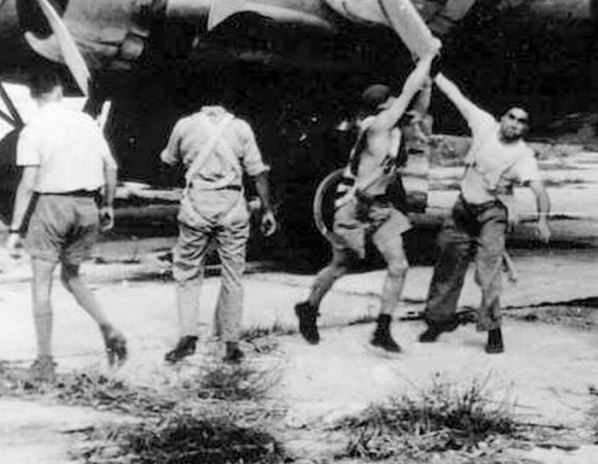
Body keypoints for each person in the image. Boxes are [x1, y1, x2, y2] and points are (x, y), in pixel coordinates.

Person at [294, 49, 439, 353]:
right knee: (340, 264)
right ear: (385, 104)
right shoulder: (377, 127)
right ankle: (308, 307)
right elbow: (408, 94)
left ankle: (382, 329)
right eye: (393, 100)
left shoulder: (393, 128)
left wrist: (427, 82)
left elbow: (419, 107)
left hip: (381, 208)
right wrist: (426, 57)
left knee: (398, 266)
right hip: (353, 206)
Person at [6, 70, 126, 382]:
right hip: (88, 207)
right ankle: (108, 327)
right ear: (60, 90)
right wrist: (109, 205)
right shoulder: (87, 123)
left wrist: (15, 230)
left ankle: (44, 361)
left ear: (33, 96)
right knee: (72, 277)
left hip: (53, 206)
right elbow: (111, 166)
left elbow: (28, 184)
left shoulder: (33, 130)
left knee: (41, 284)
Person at [418, 74, 552, 354]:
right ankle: (439, 320)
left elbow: (540, 191)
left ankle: (493, 330)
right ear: (503, 118)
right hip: (462, 209)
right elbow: (457, 97)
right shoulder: (484, 125)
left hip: (492, 215)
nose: (514, 124)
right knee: (448, 264)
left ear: (525, 129)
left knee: (488, 273)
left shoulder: (523, 156)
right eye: (511, 117)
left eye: (521, 122)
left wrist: (542, 220)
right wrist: (435, 72)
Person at [160, 84, 278, 365]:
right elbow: (258, 172)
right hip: (232, 207)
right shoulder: (241, 128)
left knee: (188, 273)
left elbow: (168, 162)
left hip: (196, 205)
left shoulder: (184, 125)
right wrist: (267, 209)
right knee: (233, 275)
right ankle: (231, 344)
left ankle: (188, 337)